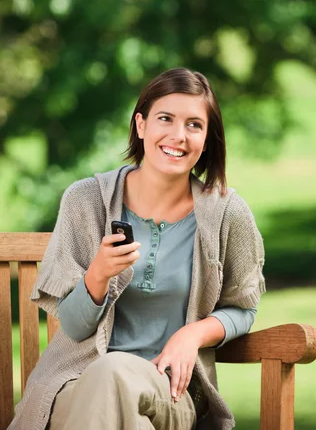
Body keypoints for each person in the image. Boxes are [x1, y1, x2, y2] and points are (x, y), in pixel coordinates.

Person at [9, 68, 266, 430]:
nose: (178, 135)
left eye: (194, 125)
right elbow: (73, 326)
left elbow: (244, 308)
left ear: (207, 140)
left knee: (115, 374)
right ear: (141, 125)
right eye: (165, 119)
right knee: (115, 398)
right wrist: (97, 275)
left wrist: (192, 334)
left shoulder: (227, 214)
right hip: (75, 384)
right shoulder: (86, 202)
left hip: (169, 392)